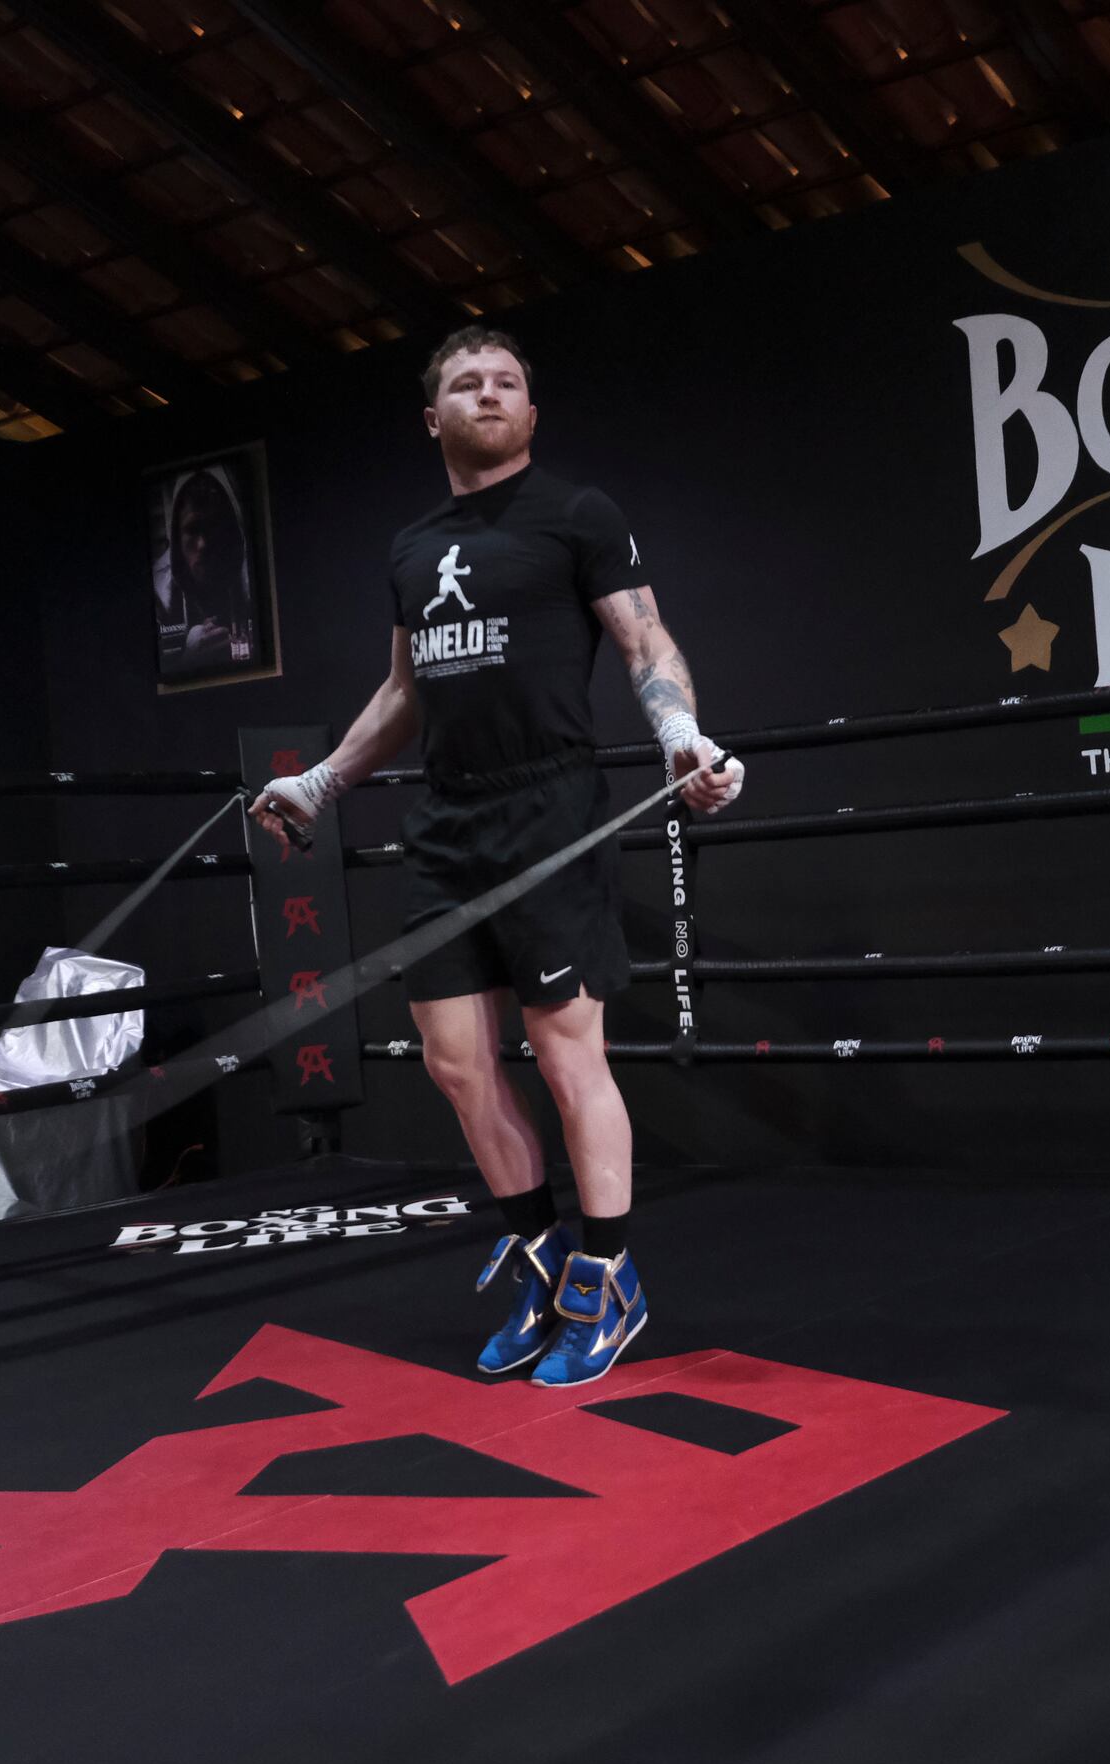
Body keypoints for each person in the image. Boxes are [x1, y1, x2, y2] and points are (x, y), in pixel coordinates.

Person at [249, 327, 742, 1387]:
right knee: (454, 1063)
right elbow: (403, 693)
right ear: (432, 417)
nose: (488, 392)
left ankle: (607, 1278)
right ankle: (537, 1256)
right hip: (445, 819)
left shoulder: (576, 513)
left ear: (529, 410)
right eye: (465, 383)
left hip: (548, 805)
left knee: (568, 1057)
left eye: (507, 381)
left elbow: (645, 642)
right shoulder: (410, 546)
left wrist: (679, 738)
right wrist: (320, 782)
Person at [158, 466, 257, 678]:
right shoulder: (159, 597)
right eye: (193, 530)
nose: (203, 544)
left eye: (214, 527)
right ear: (176, 537)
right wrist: (188, 663)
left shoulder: (257, 586)